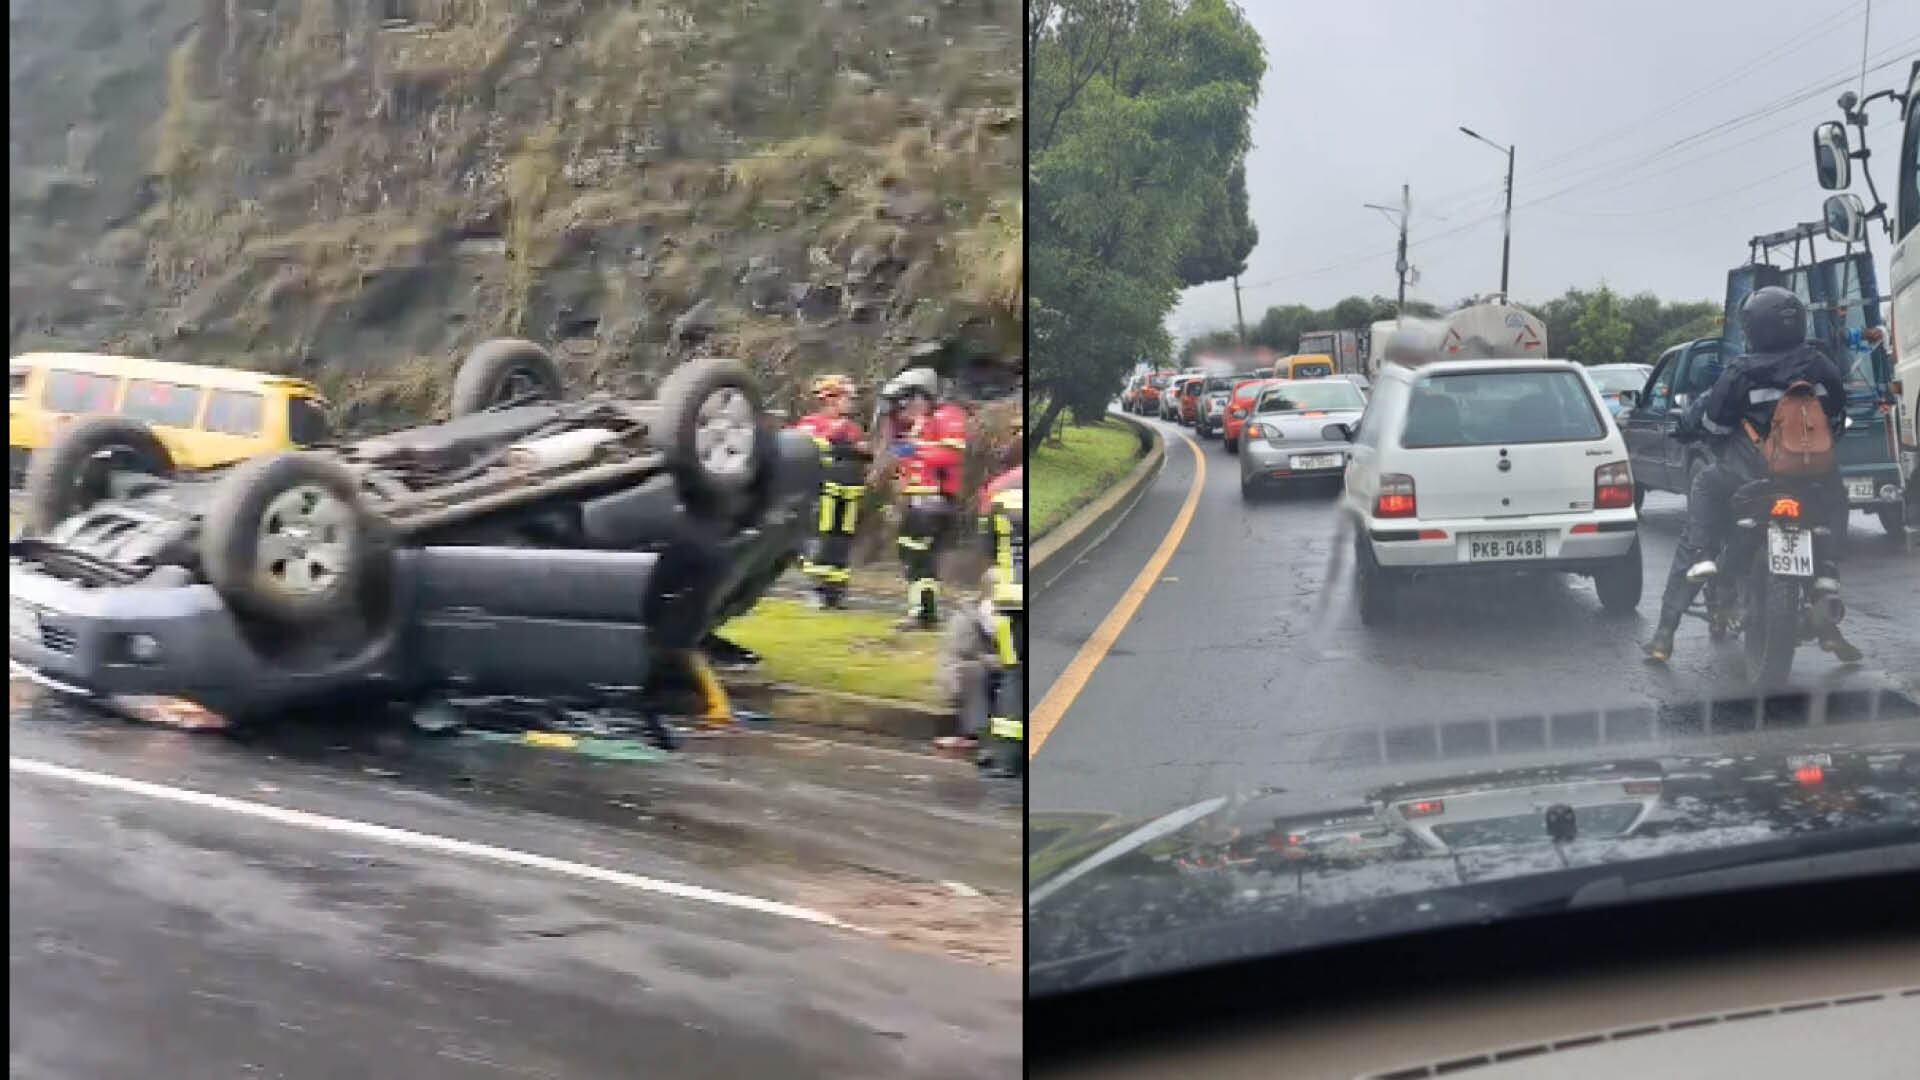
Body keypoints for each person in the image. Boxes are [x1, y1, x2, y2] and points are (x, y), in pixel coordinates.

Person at [1644, 286, 1861, 663]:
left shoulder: (1741, 370)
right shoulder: (1820, 364)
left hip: (1747, 477)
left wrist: (1705, 431)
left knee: (1703, 488)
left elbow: (1713, 424)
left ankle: (1666, 631)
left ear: (1753, 327)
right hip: (1811, 477)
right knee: (1835, 496)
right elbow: (1838, 418)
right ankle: (1827, 570)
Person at [892, 366, 968, 629]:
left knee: (917, 556)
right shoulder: (924, 420)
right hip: (919, 501)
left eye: (911, 398)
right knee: (915, 556)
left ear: (925, 395)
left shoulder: (948, 415)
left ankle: (921, 613)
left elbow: (951, 454)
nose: (907, 406)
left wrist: (914, 448)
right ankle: (926, 611)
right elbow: (909, 459)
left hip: (933, 501)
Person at [789, 374, 868, 609]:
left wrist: (861, 451)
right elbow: (803, 449)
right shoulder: (810, 423)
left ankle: (837, 591)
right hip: (822, 492)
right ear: (830, 398)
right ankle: (816, 589)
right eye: (847, 398)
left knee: (841, 543)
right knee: (821, 540)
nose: (851, 403)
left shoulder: (853, 428)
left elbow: (863, 454)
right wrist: (837, 443)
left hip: (849, 494)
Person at [976, 463, 1025, 778]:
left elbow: (988, 549)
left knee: (1012, 674)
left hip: (1008, 600)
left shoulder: (998, 493)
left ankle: (1008, 759)